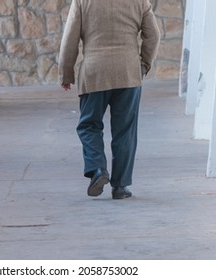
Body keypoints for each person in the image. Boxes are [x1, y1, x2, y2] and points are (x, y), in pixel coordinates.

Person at [59, 0, 160, 199]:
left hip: (94, 73)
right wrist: (144, 65)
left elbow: (69, 39)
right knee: (125, 131)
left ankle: (97, 169)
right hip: (128, 73)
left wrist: (66, 73)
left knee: (89, 125)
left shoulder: (82, 2)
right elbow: (154, 35)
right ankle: (120, 186)